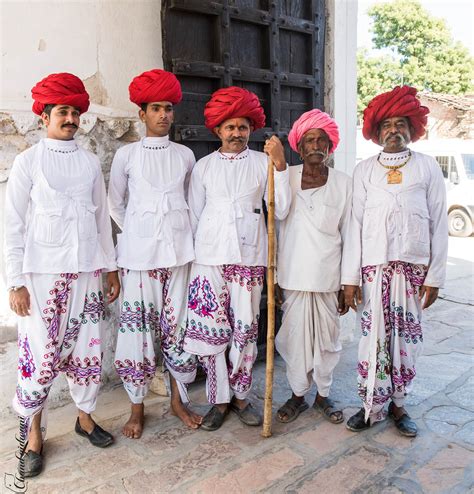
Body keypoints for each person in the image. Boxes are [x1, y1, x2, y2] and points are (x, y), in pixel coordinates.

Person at [5, 72, 120, 477]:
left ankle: (85, 418)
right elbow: (13, 224)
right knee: (40, 356)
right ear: (45, 117)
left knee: (87, 351)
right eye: (62, 112)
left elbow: (102, 221)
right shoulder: (28, 162)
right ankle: (34, 434)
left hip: (87, 273)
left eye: (75, 112)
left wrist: (110, 268)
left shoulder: (89, 163)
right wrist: (15, 281)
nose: (70, 118)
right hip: (42, 279)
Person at [181, 86, 291, 431]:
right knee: (213, 333)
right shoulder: (203, 167)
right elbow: (194, 216)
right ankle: (219, 399)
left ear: (251, 130)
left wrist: (281, 165)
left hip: (249, 257)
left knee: (245, 331)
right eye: (230, 127)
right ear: (218, 130)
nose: (236, 133)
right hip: (209, 259)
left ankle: (242, 397)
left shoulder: (263, 164)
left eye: (243, 127)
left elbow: (282, 208)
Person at [343, 85, 448, 437]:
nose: (393, 130)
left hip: (412, 271)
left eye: (400, 123)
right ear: (376, 131)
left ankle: (400, 406)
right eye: (386, 124)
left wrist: (435, 277)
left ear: (412, 128)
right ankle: (370, 407)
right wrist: (349, 279)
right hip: (373, 271)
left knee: (406, 341)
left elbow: (439, 224)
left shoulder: (427, 168)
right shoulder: (364, 171)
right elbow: (355, 225)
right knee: (372, 339)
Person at [108, 69, 202, 437]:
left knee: (180, 329)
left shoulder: (185, 155)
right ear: (141, 114)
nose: (163, 114)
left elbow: (194, 203)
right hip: (139, 259)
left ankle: (179, 401)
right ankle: (136, 408)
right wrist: (140, 228)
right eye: (155, 108)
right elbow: (116, 205)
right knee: (137, 333)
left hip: (179, 257)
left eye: (168, 108)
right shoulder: (126, 156)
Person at [275, 109, 351, 424]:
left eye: (322, 140)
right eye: (310, 140)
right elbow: (278, 213)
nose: (316, 145)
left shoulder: (344, 184)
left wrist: (350, 283)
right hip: (292, 275)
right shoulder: (285, 176)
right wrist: (279, 167)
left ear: (330, 146)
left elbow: (351, 236)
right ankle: (296, 396)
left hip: (328, 278)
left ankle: (323, 395)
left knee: (327, 342)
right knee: (294, 341)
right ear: (300, 147)